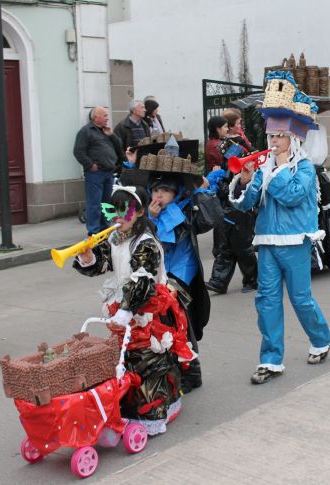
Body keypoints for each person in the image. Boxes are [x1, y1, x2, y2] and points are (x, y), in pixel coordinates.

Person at [230, 70, 330, 384]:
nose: (274, 141)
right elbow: (245, 204)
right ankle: (271, 359)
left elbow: (292, 196)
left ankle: (321, 337)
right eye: (272, 136)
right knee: (267, 300)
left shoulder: (304, 168)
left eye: (280, 136)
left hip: (295, 241)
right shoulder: (265, 167)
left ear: (294, 138)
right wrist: (246, 181)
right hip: (267, 242)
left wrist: (272, 171)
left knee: (301, 298)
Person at [74, 185, 196, 435]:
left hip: (149, 306)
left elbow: (143, 281)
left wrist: (127, 311)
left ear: (140, 212)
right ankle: (126, 408)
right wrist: (88, 257)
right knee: (124, 359)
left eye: (123, 211)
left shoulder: (146, 243)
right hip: (126, 305)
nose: (116, 217)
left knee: (149, 361)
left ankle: (156, 411)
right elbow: (103, 263)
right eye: (111, 210)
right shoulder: (115, 238)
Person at [147, 170, 223, 393]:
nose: (159, 195)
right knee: (163, 322)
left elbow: (211, 218)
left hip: (182, 271)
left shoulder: (186, 207)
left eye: (165, 191)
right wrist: (150, 217)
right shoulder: (151, 212)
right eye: (156, 190)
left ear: (176, 192)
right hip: (161, 272)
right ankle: (172, 370)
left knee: (181, 323)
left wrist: (201, 188)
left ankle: (192, 372)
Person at [205, 131, 258, 295]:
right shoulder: (227, 168)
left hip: (241, 212)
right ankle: (218, 281)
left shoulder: (245, 169)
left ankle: (252, 279)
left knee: (243, 248)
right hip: (227, 212)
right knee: (225, 248)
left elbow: (231, 190)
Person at [73, 106, 123, 236]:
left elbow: (119, 147)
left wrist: (111, 135)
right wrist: (90, 165)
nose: (107, 118)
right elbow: (78, 151)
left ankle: (104, 230)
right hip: (95, 173)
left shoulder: (106, 131)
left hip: (109, 172)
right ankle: (93, 232)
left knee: (106, 204)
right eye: (105, 115)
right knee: (94, 204)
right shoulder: (86, 131)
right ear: (96, 117)